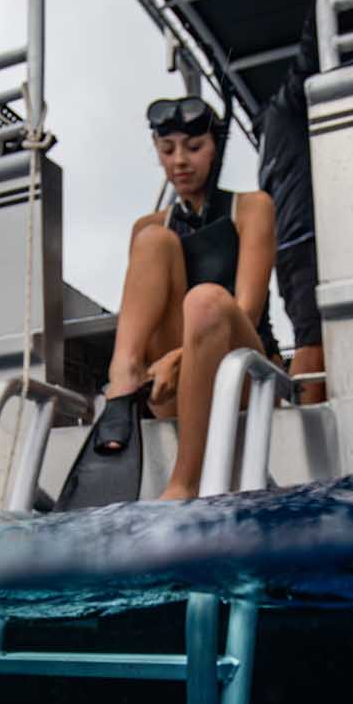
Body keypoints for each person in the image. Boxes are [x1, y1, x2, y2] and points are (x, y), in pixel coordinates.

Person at [93, 96, 277, 501]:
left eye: (194, 148)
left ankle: (185, 481)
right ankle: (120, 383)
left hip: (242, 373)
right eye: (167, 149)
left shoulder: (252, 207)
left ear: (217, 148)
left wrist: (179, 359)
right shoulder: (147, 225)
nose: (180, 161)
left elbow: (247, 309)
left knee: (206, 301)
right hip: (169, 385)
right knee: (154, 239)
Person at [256, 10, 326, 404]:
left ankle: (310, 410)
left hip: (290, 247)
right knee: (313, 338)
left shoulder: (268, 146)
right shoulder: (284, 113)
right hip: (303, 240)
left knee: (310, 333)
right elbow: (309, 58)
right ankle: (310, 419)